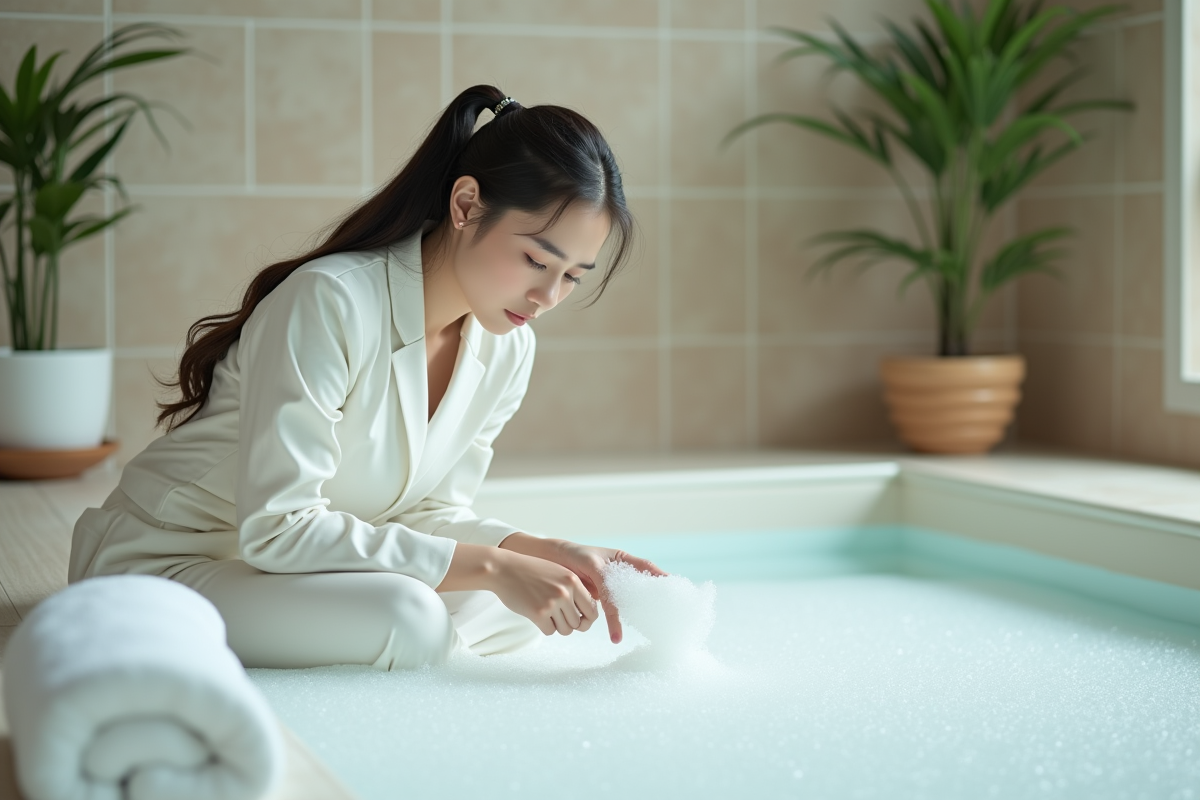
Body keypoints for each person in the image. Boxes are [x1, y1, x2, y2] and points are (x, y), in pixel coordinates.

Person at [68, 85, 665, 670]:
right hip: (171, 562)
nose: (546, 296)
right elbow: (277, 528)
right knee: (412, 617)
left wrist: (541, 552)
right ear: (465, 205)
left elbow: (426, 513)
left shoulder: (507, 349)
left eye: (573, 277)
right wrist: (492, 567)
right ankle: (413, 654)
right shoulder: (330, 302)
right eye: (536, 260)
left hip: (295, 572)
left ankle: (410, 654)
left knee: (521, 604)